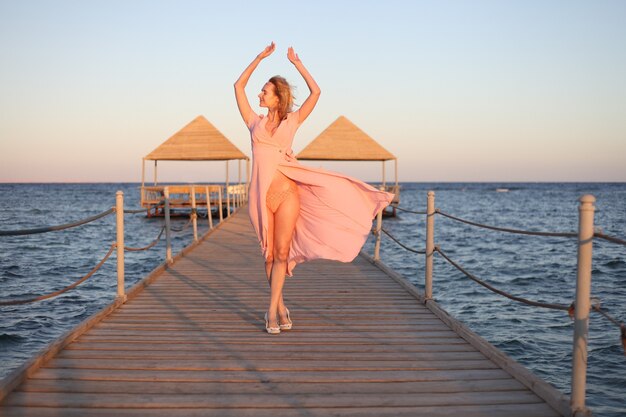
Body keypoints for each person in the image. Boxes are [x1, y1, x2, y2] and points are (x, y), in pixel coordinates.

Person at [234, 42, 394, 335]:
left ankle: (270, 310)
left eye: (265, 92)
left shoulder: (292, 121)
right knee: (268, 255)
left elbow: (316, 92)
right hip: (260, 198)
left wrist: (297, 63)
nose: (259, 94)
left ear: (277, 98)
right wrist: (259, 57)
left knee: (281, 253)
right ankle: (280, 305)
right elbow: (238, 85)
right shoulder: (253, 123)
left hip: (286, 195)